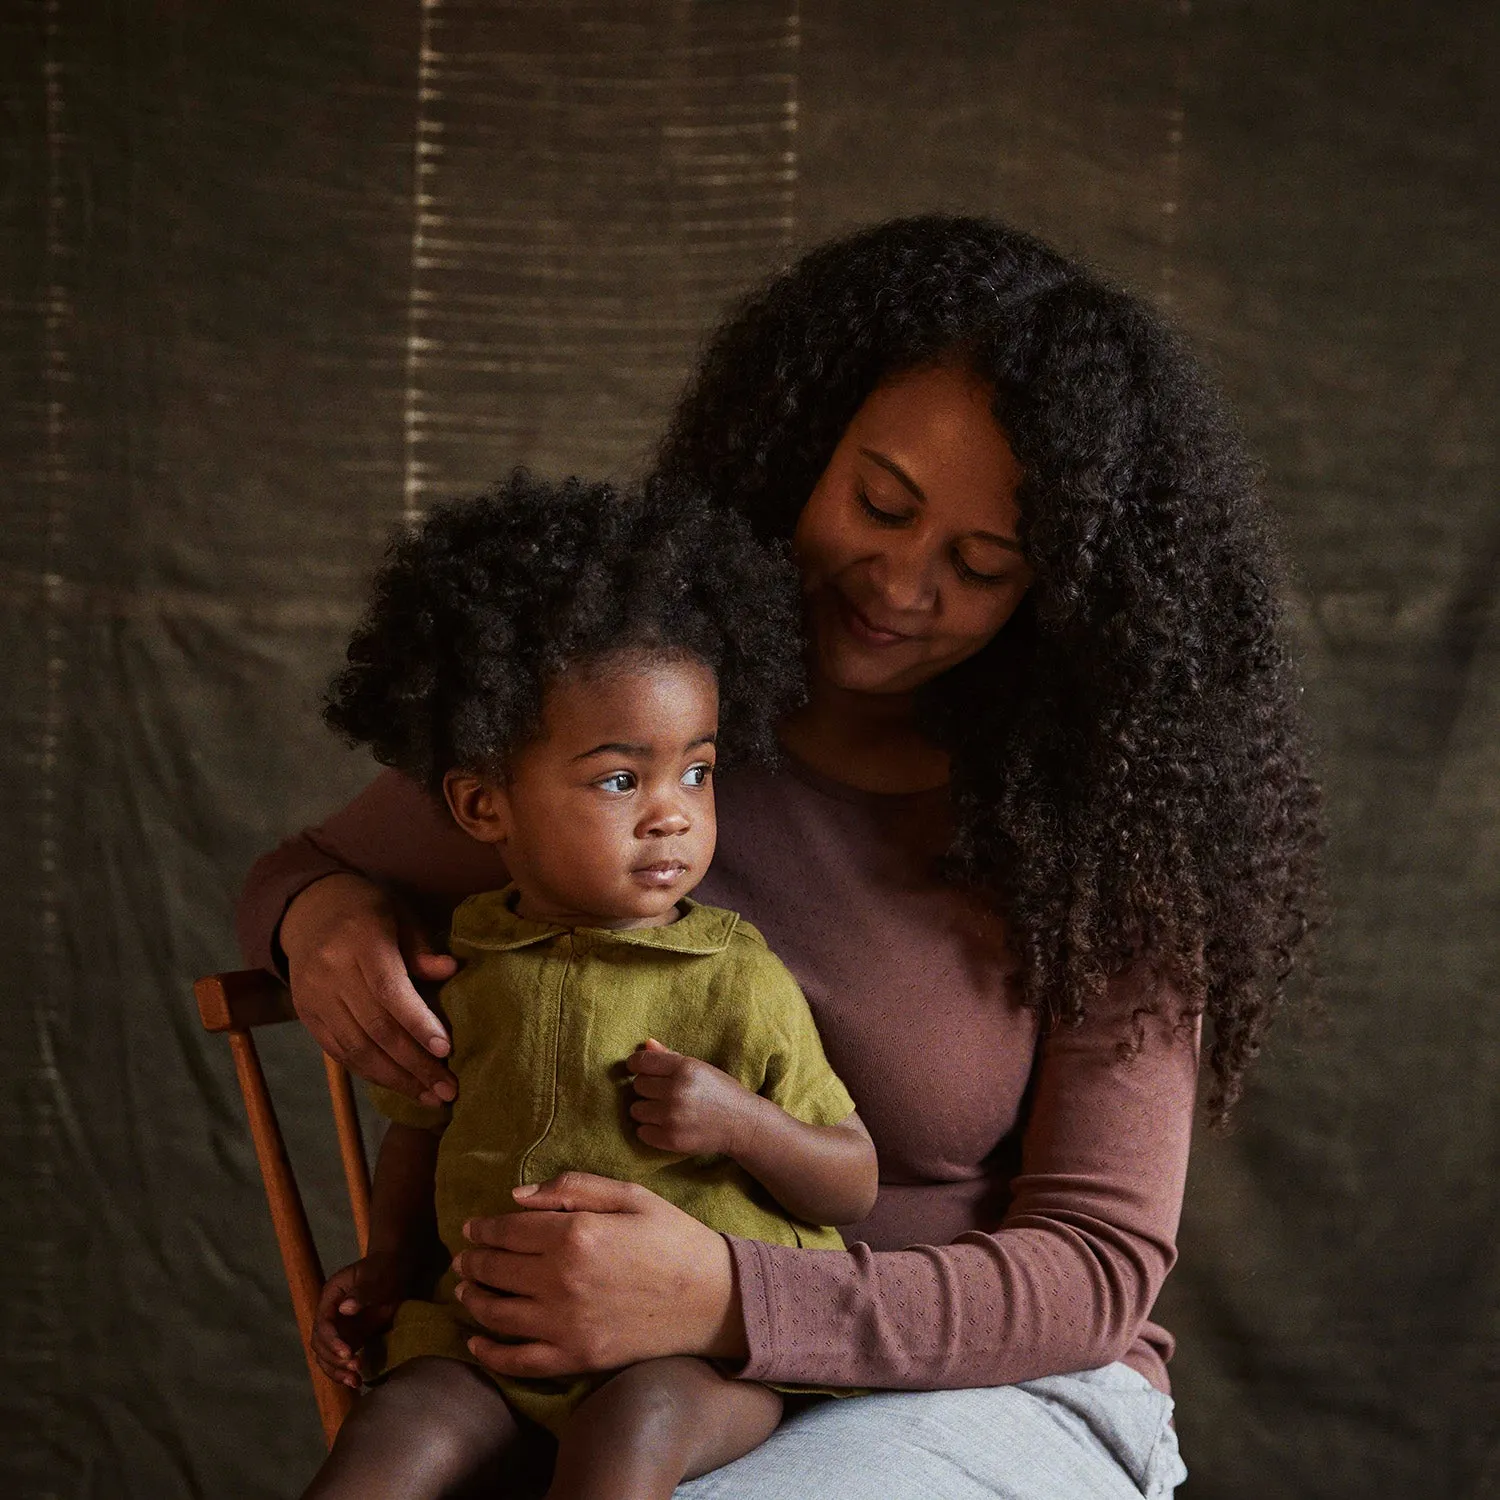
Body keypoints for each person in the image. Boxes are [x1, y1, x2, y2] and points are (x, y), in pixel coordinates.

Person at [240, 216, 1323, 1499]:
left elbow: (1092, 1266)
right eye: (881, 502)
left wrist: (732, 1298)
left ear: (1060, 596)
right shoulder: (626, 715)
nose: (904, 584)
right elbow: (297, 872)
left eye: (980, 566)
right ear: (801, 441)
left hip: (990, 1386)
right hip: (569, 1377)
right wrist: (324, 919)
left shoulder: (1106, 833)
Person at [298, 474, 878, 1500]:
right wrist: (390, 1262)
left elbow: (851, 1178)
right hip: (491, 1336)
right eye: (621, 780)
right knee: (384, 1446)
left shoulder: (733, 975)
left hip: (692, 1355)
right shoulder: (469, 961)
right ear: (484, 805)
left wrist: (742, 1124)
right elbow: (423, 1128)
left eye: (695, 773)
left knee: (625, 1444)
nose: (670, 814)